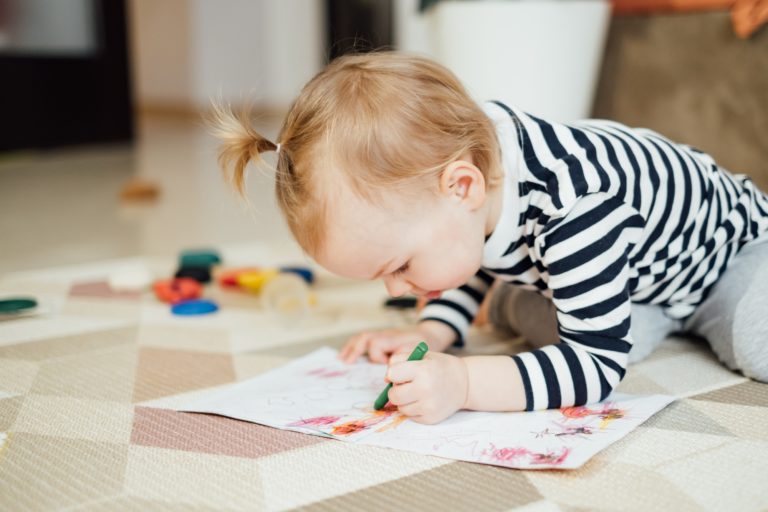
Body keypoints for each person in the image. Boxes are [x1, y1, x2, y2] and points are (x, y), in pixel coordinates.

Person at [212, 51, 768, 425]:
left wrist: (463, 383)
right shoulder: (466, 187)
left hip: (727, 256)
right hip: (643, 277)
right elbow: (470, 252)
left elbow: (597, 371)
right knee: (537, 321)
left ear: (462, 186)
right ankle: (609, 309)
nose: (394, 290)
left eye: (400, 265)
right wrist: (433, 329)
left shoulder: (573, 206)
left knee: (755, 338)